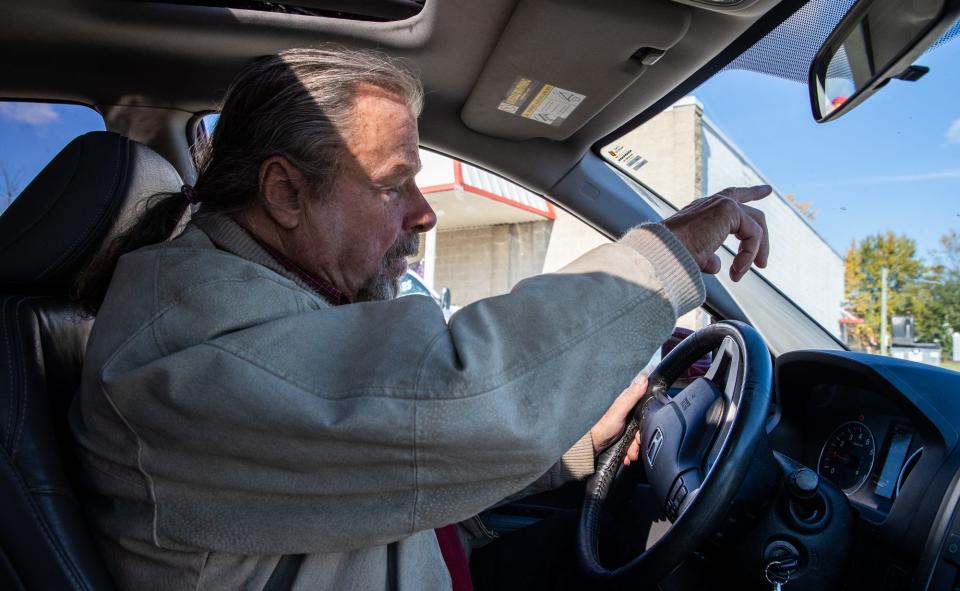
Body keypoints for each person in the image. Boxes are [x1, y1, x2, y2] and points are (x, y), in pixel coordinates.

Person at [70, 47, 770, 590]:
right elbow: (456, 394)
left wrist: (575, 449)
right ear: (285, 190)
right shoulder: (190, 340)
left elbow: (382, 463)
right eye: (389, 185)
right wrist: (663, 259)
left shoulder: (249, 296)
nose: (424, 212)